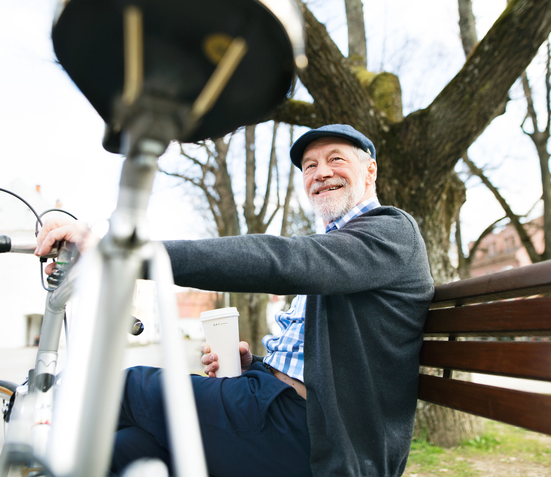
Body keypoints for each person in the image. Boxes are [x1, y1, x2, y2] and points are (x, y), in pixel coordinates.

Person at [35, 124, 435, 477]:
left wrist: (121, 252)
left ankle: (33, 424)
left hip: (313, 437)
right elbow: (321, 360)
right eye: (310, 166)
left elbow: (284, 260)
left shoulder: (389, 231)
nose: (321, 172)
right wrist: (255, 365)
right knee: (129, 448)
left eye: (335, 159)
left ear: (371, 171)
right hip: (281, 410)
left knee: (117, 388)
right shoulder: (342, 249)